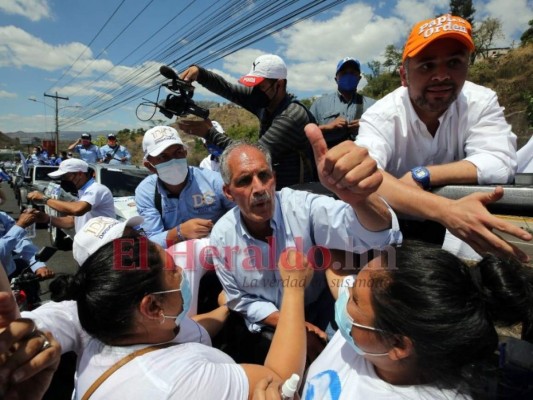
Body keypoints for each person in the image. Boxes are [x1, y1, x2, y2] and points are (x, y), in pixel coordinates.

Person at [19, 233, 311, 398]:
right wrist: (294, 287)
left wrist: (225, 308)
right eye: (173, 270)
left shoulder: (112, 329)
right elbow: (279, 380)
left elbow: (194, 330)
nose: (183, 273)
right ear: (152, 307)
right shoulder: (180, 383)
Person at [209, 126, 401, 360]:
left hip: (321, 309)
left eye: (264, 176)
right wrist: (293, 325)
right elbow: (240, 299)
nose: (259, 189)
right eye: (245, 181)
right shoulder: (221, 236)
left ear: (274, 178)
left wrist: (360, 200)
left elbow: (376, 236)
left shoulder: (304, 207)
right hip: (269, 324)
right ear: (228, 192)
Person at [353, 14, 531, 260]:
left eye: (454, 63)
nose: (441, 76)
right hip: (392, 226)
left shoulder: (481, 101)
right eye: (427, 65)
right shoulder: (381, 115)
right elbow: (366, 176)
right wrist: (446, 210)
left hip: (459, 224)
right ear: (404, 76)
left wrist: (423, 175)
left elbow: (500, 161)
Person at [178, 54, 317, 189]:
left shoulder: (291, 115)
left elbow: (255, 155)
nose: (255, 92)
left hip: (296, 194)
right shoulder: (266, 101)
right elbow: (228, 89)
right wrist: (200, 74)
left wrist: (209, 134)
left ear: (279, 85)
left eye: (261, 86)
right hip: (274, 190)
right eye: (254, 86)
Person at [135, 126, 234, 249]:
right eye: (162, 157)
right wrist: (178, 233)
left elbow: (242, 216)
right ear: (150, 166)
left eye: (178, 152)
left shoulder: (215, 181)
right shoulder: (146, 192)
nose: (173, 161)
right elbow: (152, 241)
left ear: (185, 152)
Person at [27, 158, 115, 233]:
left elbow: (77, 210)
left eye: (66, 177)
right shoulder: (82, 192)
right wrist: (46, 218)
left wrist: (44, 199)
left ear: (80, 174)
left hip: (99, 247)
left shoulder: (96, 189)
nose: (64, 180)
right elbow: (71, 222)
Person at [310, 57, 376, 148]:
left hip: (364, 158)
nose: (348, 76)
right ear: (336, 78)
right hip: (330, 158)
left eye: (352, 73)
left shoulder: (373, 105)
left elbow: (386, 133)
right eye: (344, 73)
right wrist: (328, 127)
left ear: (359, 78)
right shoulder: (319, 104)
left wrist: (366, 126)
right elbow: (305, 135)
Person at [0, 211, 55, 278]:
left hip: (9, 271)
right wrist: (20, 225)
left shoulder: (2, 216)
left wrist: (38, 266)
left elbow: (20, 240)